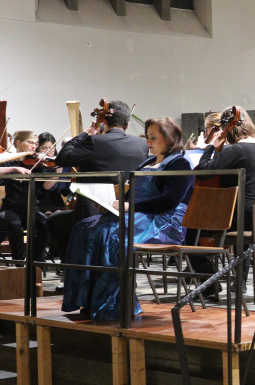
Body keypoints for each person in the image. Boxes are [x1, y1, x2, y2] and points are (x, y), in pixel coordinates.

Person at [63, 117, 192, 319]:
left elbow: (169, 201)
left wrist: (129, 207)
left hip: (164, 221)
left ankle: (113, 304)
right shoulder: (148, 162)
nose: (148, 142)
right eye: (147, 137)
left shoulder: (180, 163)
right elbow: (130, 196)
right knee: (85, 226)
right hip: (139, 214)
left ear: (169, 139)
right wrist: (109, 205)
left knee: (109, 232)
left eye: (153, 137)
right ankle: (88, 300)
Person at [47, 100, 148, 261]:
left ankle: (72, 267)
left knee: (54, 220)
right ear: (128, 125)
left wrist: (85, 133)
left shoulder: (95, 141)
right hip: (128, 214)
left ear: (104, 122)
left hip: (94, 213)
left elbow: (62, 158)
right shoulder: (142, 144)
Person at [0, 129, 50, 262]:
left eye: (36, 143)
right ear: (18, 143)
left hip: (31, 210)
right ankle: (18, 262)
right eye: (30, 142)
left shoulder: (37, 164)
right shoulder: (8, 161)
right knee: (14, 224)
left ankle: (34, 260)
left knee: (46, 224)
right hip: (9, 210)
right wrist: (14, 169)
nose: (34, 146)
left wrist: (56, 168)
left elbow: (45, 186)